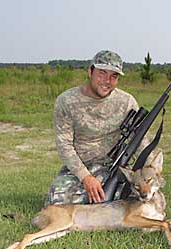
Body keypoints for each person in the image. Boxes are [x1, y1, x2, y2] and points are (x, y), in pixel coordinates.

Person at [44, 50, 151, 206]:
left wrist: (151, 168)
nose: (107, 81)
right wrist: (86, 178)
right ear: (90, 71)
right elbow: (64, 146)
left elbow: (140, 140)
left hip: (116, 166)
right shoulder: (66, 101)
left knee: (137, 190)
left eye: (113, 76)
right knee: (57, 198)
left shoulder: (126, 101)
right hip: (82, 166)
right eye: (102, 74)